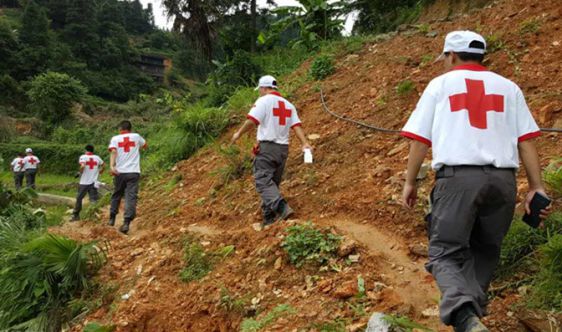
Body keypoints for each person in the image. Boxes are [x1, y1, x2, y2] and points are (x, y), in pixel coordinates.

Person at [400, 31, 551, 332]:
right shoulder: (509, 88)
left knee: (444, 251)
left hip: (458, 181)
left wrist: (410, 181)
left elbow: (419, 141)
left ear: (451, 56)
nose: (442, 63)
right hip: (503, 181)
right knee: (486, 250)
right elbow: (526, 142)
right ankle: (470, 318)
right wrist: (536, 187)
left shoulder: (439, 86)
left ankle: (462, 312)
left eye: (443, 58)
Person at [231, 75, 312, 226]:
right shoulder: (289, 105)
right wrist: (305, 143)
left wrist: (238, 134)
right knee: (272, 183)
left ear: (263, 88)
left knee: (262, 181)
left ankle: (282, 208)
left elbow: (252, 121)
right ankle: (269, 219)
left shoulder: (264, 101)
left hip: (267, 148)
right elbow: (296, 126)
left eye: (260, 90)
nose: (259, 92)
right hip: (283, 150)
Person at [108, 120, 147, 234]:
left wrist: (111, 166)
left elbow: (113, 152)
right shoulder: (136, 136)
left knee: (117, 194)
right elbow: (145, 146)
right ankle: (126, 223)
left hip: (120, 172)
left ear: (120, 129)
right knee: (130, 196)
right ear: (130, 129)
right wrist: (135, 149)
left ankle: (112, 219)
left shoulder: (115, 138)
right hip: (133, 172)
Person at [71, 145, 105, 221]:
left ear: (86, 150)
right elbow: (104, 165)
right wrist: (101, 171)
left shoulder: (83, 157)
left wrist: (79, 173)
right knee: (93, 200)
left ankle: (76, 215)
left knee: (79, 198)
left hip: (84, 182)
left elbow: (82, 166)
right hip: (94, 182)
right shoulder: (97, 157)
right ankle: (93, 215)